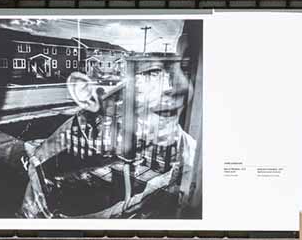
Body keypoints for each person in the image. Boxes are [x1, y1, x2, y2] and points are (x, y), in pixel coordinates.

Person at [19, 20, 200, 219]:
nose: (182, 87)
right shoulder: (61, 155)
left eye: (185, 68)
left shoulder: (189, 151)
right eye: (152, 72)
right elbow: (38, 224)